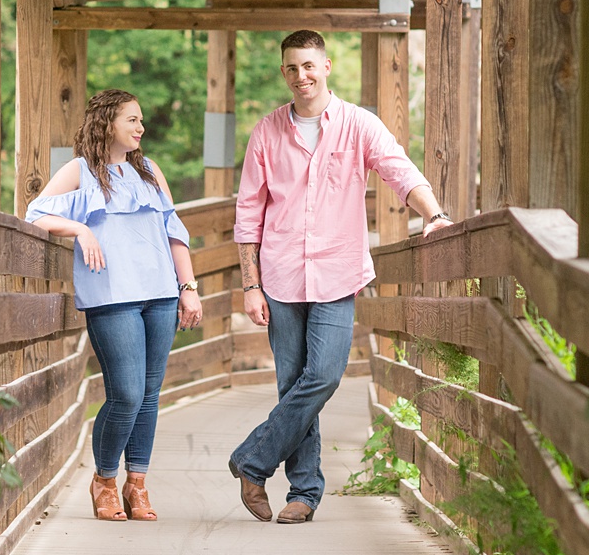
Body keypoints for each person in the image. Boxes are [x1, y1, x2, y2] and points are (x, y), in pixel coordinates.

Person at [228, 30, 454, 523]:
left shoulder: (358, 125)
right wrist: (250, 285)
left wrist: (434, 215)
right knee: (293, 385)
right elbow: (248, 215)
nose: (301, 76)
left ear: (326, 66)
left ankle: (251, 459)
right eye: (292, 68)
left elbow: (400, 171)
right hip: (282, 275)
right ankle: (304, 494)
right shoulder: (267, 132)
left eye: (309, 65)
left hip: (337, 272)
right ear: (284, 72)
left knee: (324, 376)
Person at [26, 89, 204, 522]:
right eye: (132, 120)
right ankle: (104, 480)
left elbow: (174, 232)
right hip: (111, 298)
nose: (141, 128)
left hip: (160, 293)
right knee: (125, 393)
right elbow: (34, 213)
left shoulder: (148, 170)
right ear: (107, 122)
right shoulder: (79, 171)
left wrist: (189, 287)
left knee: (148, 396)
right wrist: (81, 231)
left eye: (141, 120)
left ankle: (137, 485)